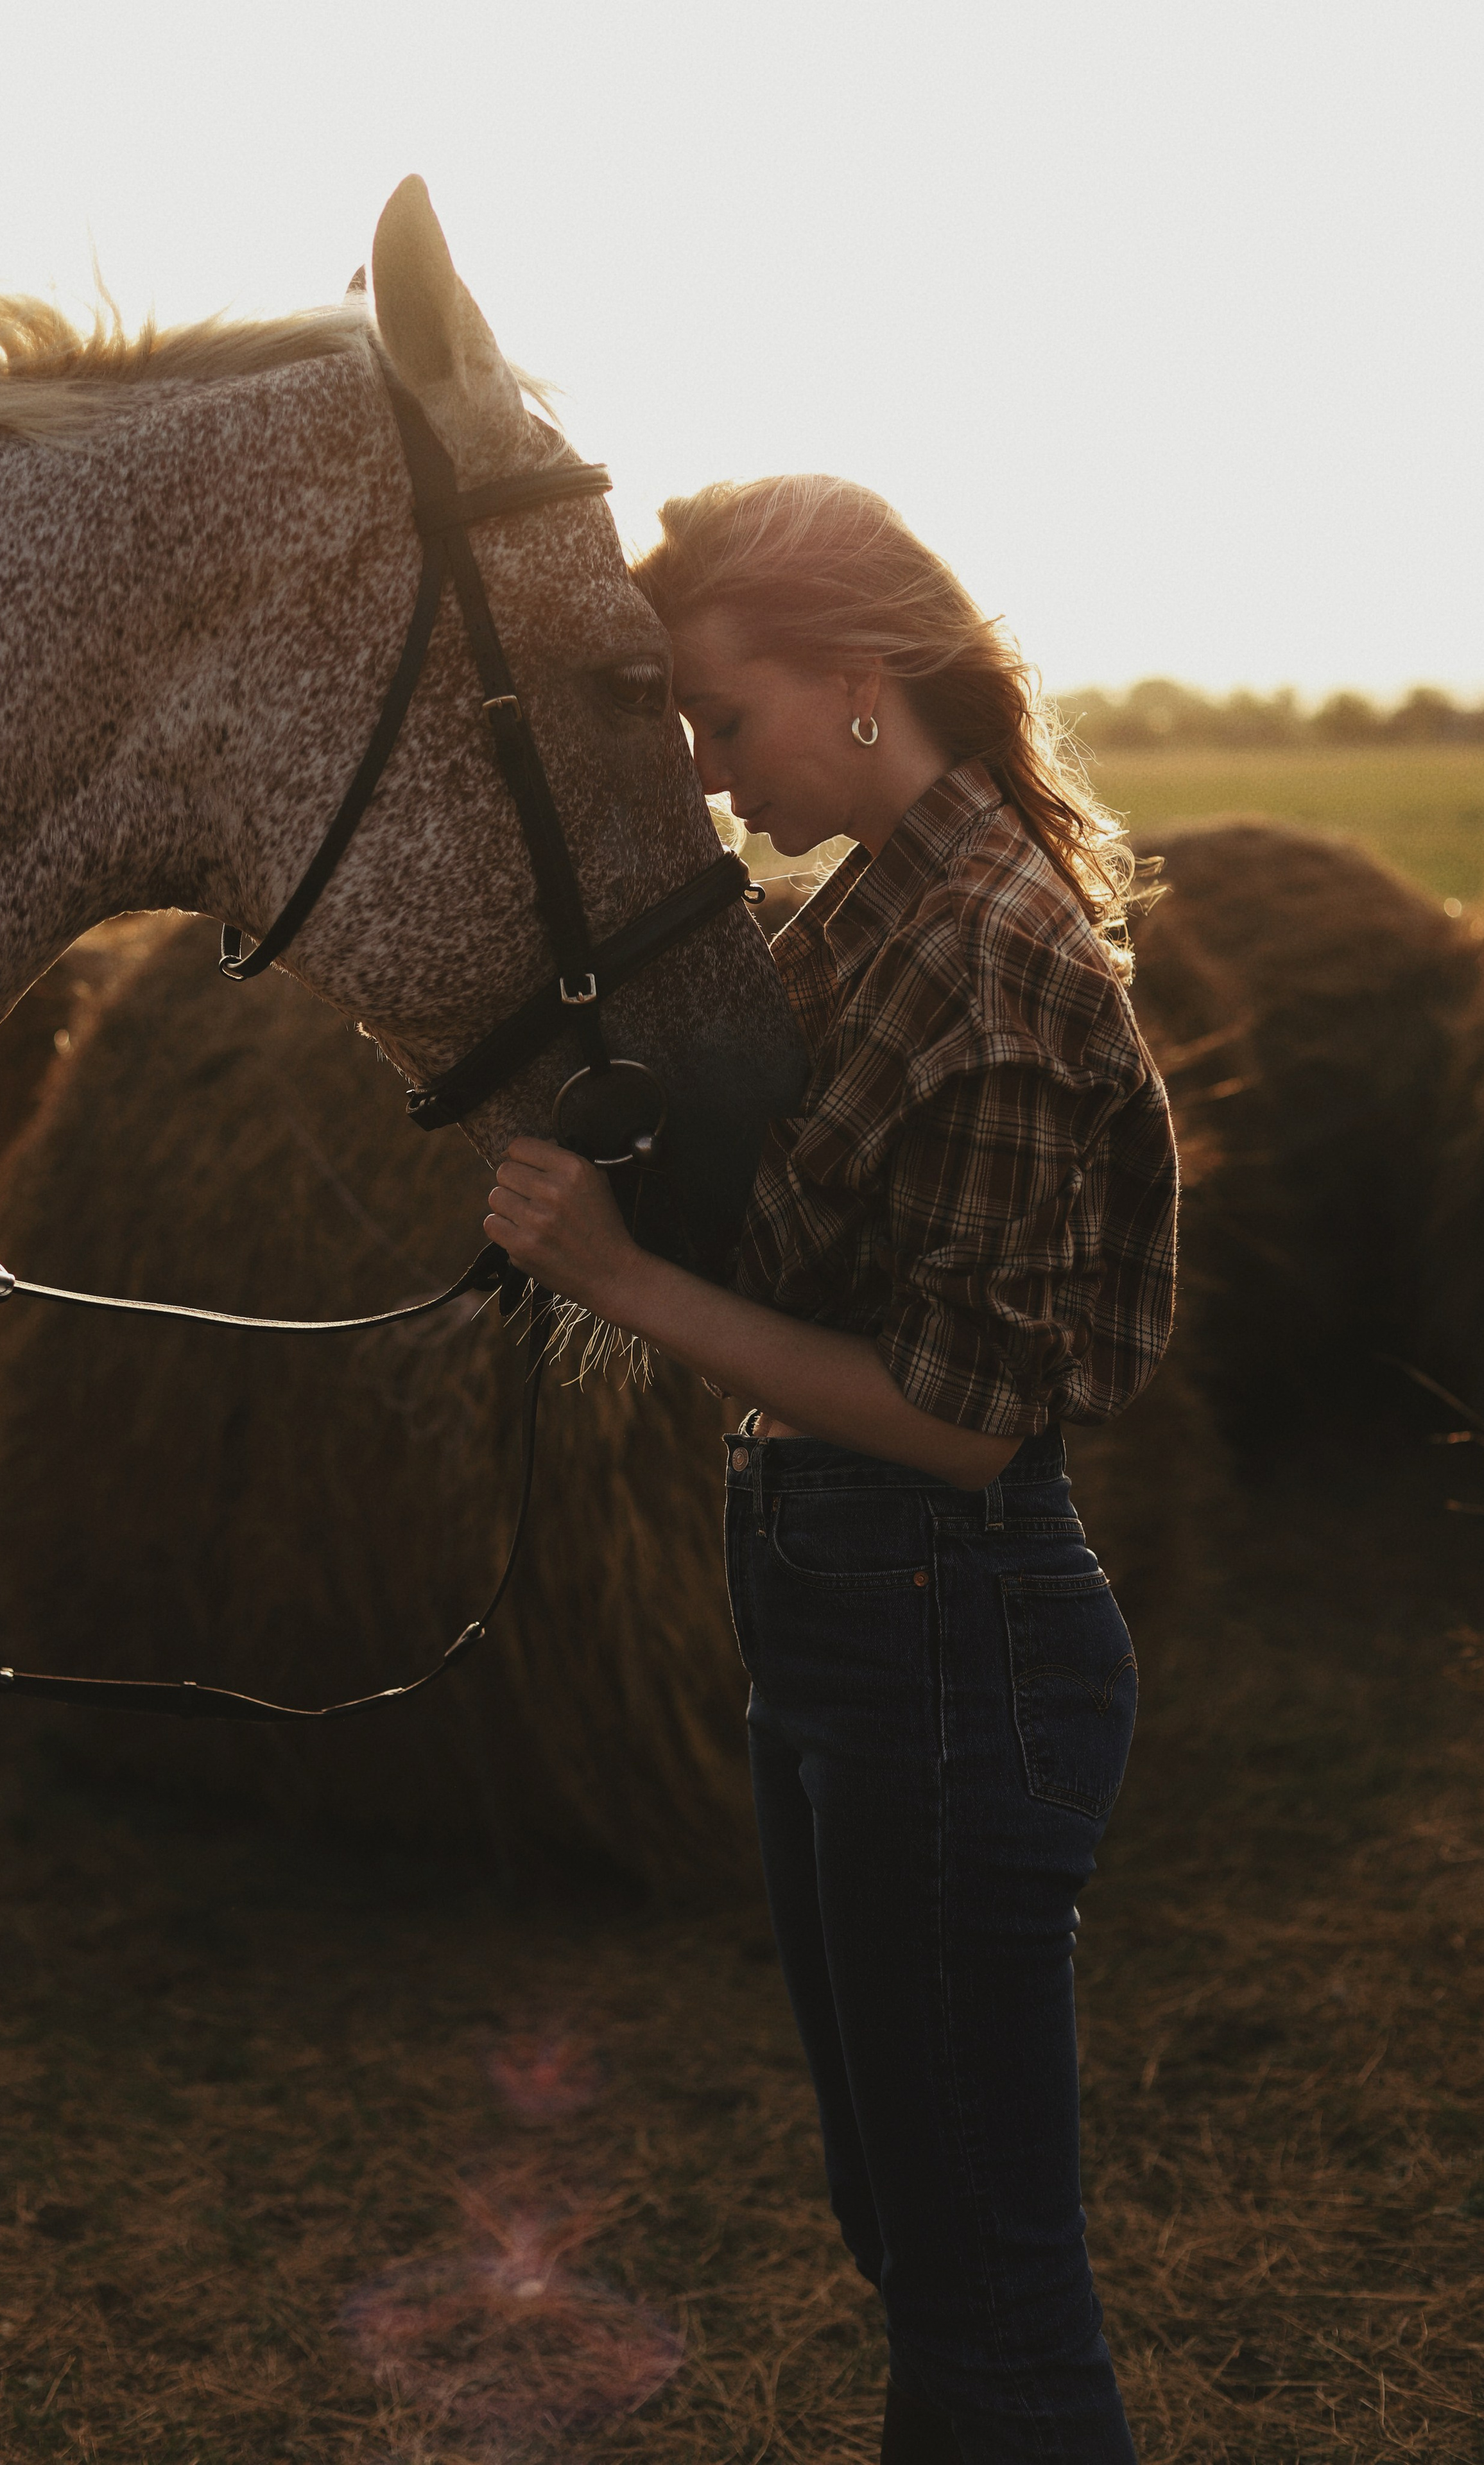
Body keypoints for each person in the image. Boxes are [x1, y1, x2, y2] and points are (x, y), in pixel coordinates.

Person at [482, 474, 1177, 2464]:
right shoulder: (870, 916)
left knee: (991, 2299)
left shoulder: (1000, 953)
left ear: (863, 682)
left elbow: (963, 1416)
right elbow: (769, 1212)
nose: (706, 778)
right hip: (850, 1623)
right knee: (914, 2229)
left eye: (723, 719)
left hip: (951, 1635)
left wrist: (615, 1279)